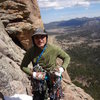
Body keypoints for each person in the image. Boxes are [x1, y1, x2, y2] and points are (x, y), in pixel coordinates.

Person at [20, 28, 70, 100]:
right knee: (39, 97)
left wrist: (62, 69)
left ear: (46, 38)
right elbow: (23, 66)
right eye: (36, 37)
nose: (40, 40)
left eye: (42, 37)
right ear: (33, 39)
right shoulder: (30, 52)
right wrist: (34, 74)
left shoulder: (53, 49)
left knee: (55, 96)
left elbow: (66, 57)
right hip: (39, 79)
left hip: (53, 77)